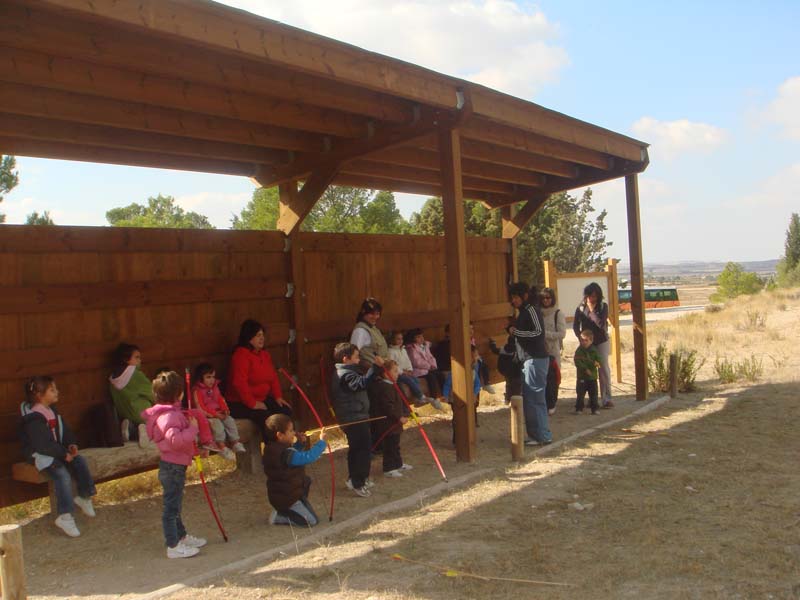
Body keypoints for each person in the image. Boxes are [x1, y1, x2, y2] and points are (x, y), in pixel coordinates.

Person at [141, 371, 208, 559]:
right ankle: (173, 545)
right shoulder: (169, 416)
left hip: (174, 466)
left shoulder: (173, 413)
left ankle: (181, 536)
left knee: (175, 506)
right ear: (179, 393)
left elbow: (180, 444)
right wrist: (193, 428)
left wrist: (195, 450)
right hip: (172, 468)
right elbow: (175, 441)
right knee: (171, 509)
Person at [20, 376, 97, 538]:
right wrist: (63, 454)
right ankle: (65, 516)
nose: (57, 392)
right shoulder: (33, 418)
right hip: (40, 455)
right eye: (52, 390)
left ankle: (84, 496)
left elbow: (65, 431)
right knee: (62, 475)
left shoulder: (52, 411)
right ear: (39, 395)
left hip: (56, 451)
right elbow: (42, 445)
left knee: (80, 461)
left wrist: (71, 444)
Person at [330, 342, 383, 497]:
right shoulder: (344, 375)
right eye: (356, 357)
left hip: (357, 416)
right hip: (353, 418)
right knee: (362, 450)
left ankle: (354, 479)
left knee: (357, 449)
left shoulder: (348, 372)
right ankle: (358, 483)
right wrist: (375, 367)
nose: (359, 359)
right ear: (346, 359)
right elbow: (361, 384)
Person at [227, 319, 291, 440]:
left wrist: (278, 396)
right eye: (258, 335)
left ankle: (289, 443)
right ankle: (273, 447)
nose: (262, 338)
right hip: (240, 402)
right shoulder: (241, 355)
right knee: (268, 420)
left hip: (261, 398)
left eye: (262, 335)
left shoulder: (264, 354)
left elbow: (273, 377)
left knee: (285, 411)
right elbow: (239, 383)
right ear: (249, 337)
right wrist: (252, 403)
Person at [262, 413, 328, 527]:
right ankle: (279, 516)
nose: (294, 433)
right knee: (311, 521)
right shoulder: (283, 452)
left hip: (288, 493)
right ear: (280, 435)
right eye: (291, 431)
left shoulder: (274, 448)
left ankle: (287, 510)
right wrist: (321, 443)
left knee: (306, 480)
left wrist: (299, 444)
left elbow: (292, 457)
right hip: (287, 498)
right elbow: (308, 457)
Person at [509, 282, 552, 446]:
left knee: (535, 398)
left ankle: (542, 435)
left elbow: (538, 332)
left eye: (516, 297)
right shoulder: (523, 312)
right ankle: (536, 435)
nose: (513, 301)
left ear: (524, 296)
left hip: (535, 359)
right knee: (530, 399)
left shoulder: (532, 310)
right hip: (528, 359)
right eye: (512, 298)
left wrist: (516, 332)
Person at [191, 363, 246, 461]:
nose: (212, 380)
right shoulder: (197, 391)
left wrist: (225, 409)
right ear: (200, 378)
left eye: (213, 377)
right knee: (218, 426)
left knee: (230, 421)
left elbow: (220, 399)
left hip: (219, 413)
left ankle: (235, 442)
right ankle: (222, 447)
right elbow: (200, 407)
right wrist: (215, 414)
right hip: (208, 416)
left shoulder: (215, 387)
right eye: (208, 377)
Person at [368, 360, 411, 478]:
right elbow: (388, 407)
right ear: (386, 374)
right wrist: (399, 417)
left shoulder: (392, 385)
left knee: (395, 444)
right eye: (395, 371)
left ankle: (398, 464)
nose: (398, 374)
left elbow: (398, 403)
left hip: (395, 423)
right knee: (389, 446)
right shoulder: (384, 387)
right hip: (388, 423)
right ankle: (389, 468)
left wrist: (405, 413)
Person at [573, 283, 614, 408]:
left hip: (601, 341)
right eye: (590, 296)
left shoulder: (602, 306)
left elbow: (601, 324)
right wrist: (581, 338)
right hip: (586, 343)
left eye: (595, 296)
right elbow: (575, 325)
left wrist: (591, 311)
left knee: (603, 368)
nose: (592, 299)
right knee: (586, 369)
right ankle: (591, 399)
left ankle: (606, 399)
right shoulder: (580, 308)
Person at [108, 343, 153, 447]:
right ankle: (144, 428)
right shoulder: (135, 375)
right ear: (126, 359)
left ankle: (130, 428)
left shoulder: (112, 380)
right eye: (137, 357)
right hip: (142, 412)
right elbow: (152, 393)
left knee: (134, 427)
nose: (140, 360)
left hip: (125, 414)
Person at [388, 331, 442, 410]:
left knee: (415, 379)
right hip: (398, 374)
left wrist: (410, 369)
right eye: (398, 339)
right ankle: (421, 396)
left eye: (401, 339)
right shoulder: (391, 351)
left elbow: (408, 361)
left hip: (407, 372)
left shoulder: (403, 350)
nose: (400, 341)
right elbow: (393, 365)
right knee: (408, 379)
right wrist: (403, 372)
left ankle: (418, 399)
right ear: (392, 340)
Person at [540, 287, 567, 415]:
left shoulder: (558, 313)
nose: (545, 300)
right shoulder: (538, 313)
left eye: (548, 298)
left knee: (553, 379)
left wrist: (546, 334)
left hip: (553, 351)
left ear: (552, 299)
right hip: (540, 350)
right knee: (542, 378)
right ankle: (545, 403)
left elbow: (562, 333)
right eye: (543, 298)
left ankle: (552, 403)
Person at [405, 328, 445, 401]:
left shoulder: (425, 346)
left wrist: (433, 365)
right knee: (431, 377)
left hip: (428, 369)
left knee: (440, 374)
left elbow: (430, 357)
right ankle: (434, 398)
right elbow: (416, 362)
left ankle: (444, 395)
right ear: (413, 339)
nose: (421, 338)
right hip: (419, 371)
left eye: (422, 336)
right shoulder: (411, 348)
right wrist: (429, 366)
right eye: (418, 337)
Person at [489, 316, 521, 404]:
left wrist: (492, 344)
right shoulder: (518, 346)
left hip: (509, 371)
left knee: (509, 385)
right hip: (517, 372)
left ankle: (508, 399)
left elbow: (496, 350)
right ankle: (515, 401)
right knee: (516, 387)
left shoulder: (507, 348)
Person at [349, 298, 389, 368]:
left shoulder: (374, 328)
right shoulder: (360, 330)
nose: (375, 317)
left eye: (377, 314)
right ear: (363, 313)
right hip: (371, 371)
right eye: (372, 314)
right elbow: (353, 356)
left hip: (383, 369)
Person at [574, 330, 602, 415]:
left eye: (586, 340)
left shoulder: (594, 350)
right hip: (582, 377)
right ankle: (579, 408)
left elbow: (599, 359)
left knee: (593, 394)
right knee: (580, 394)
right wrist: (585, 369)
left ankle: (595, 409)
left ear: (591, 341)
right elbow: (577, 362)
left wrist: (597, 363)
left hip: (592, 377)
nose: (584, 342)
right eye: (582, 340)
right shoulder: (579, 350)